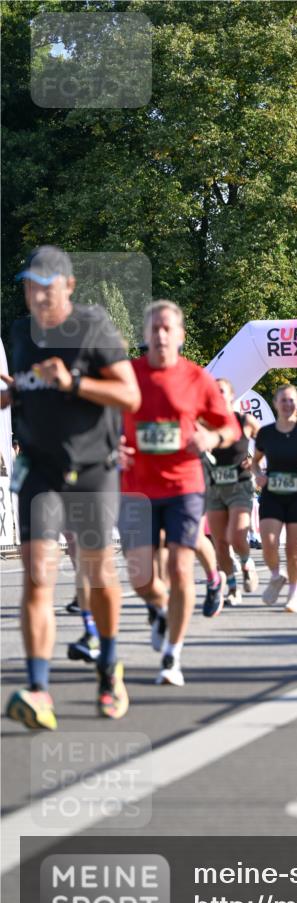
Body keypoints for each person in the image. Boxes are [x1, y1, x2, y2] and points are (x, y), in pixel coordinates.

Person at [2, 245, 140, 729]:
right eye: (29, 285)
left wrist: (75, 382)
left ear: (68, 286)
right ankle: (39, 690)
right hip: (39, 471)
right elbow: (32, 384)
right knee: (38, 575)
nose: (36, 295)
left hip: (93, 469)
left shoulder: (93, 326)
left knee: (98, 573)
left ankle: (109, 670)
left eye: (46, 285)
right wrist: (11, 391)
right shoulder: (20, 333)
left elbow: (129, 393)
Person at [119, 300, 238, 686]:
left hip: (184, 484)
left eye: (168, 328)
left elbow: (229, 427)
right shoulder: (127, 375)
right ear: (145, 334)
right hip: (136, 488)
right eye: (154, 328)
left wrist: (212, 435)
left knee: (179, 568)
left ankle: (172, 655)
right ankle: (160, 607)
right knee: (141, 578)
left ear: (180, 335)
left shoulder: (197, 379)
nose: (160, 335)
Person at [252, 384, 297, 613]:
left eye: (291, 400)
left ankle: (294, 594)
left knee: (293, 549)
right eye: (283, 400)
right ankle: (276, 575)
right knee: (269, 543)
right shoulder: (266, 433)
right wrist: (258, 475)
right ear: (275, 404)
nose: (287, 404)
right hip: (272, 493)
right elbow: (255, 461)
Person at [203, 377, 260, 608]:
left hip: (240, 485)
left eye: (221, 391)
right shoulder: (205, 424)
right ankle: (233, 590)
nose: (217, 396)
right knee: (220, 545)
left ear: (231, 396)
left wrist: (255, 462)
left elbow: (268, 443)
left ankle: (247, 564)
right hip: (214, 487)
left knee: (237, 536)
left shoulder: (245, 421)